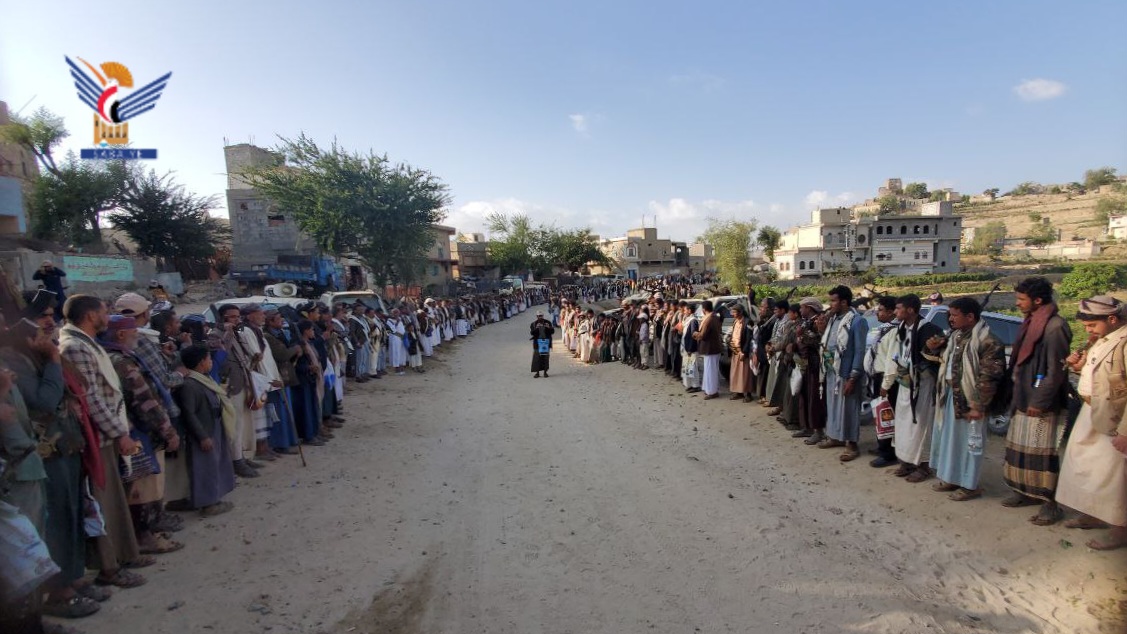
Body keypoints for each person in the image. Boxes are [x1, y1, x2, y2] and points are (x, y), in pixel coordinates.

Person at [58, 295, 148, 588]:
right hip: (100, 438)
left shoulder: (87, 342)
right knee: (102, 503)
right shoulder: (75, 347)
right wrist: (119, 432)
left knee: (115, 501)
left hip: (110, 432)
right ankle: (109, 567)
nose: (108, 316)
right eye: (103, 311)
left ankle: (125, 555)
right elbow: (90, 399)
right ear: (89, 315)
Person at [1056, 296, 1127, 549]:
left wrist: (1125, 432)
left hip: (1115, 419)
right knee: (1088, 467)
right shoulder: (1102, 340)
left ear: (1112, 319)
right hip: (1092, 411)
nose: (1087, 331)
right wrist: (1079, 368)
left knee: (1115, 478)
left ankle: (1119, 531)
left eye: (1091, 325)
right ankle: (1094, 515)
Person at [1002, 277, 1072, 526]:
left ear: (1038, 300)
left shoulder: (1054, 327)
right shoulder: (1031, 322)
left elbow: (1056, 371)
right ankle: (1025, 492)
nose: (1018, 303)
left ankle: (1049, 505)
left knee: (1042, 455)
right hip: (1023, 395)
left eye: (1021, 299)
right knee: (1019, 449)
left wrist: (1040, 401)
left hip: (1041, 402)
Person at [927, 297, 1006, 500]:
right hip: (950, 397)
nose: (950, 319)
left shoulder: (988, 341)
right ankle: (952, 478)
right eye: (950, 315)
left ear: (970, 316)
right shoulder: (956, 336)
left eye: (954, 315)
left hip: (971, 401)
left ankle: (970, 485)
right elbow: (944, 359)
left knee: (971, 444)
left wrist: (978, 405)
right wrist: (934, 346)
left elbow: (989, 375)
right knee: (951, 441)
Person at [887, 294, 943, 482]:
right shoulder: (903, 327)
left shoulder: (929, 329)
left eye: (898, 308)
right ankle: (907, 461)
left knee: (921, 424)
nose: (895, 311)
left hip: (923, 386)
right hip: (906, 383)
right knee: (903, 424)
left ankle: (924, 465)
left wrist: (931, 349)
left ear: (910, 310)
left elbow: (937, 356)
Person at [176, 344, 236, 517]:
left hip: (213, 427)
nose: (211, 362)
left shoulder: (204, 379)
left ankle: (215, 498)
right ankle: (208, 504)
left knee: (215, 464)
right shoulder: (190, 385)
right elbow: (189, 413)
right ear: (201, 362)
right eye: (209, 359)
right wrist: (202, 437)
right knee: (204, 467)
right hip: (204, 432)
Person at [818, 286, 869, 462]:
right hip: (833, 371)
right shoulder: (833, 319)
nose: (830, 304)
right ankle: (835, 436)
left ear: (844, 302)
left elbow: (859, 351)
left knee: (848, 409)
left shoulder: (856, 321)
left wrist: (853, 377)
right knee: (833, 406)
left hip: (847, 373)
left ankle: (851, 444)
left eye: (833, 301)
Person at [867, 297, 901, 468]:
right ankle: (882, 446)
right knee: (880, 414)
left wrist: (885, 384)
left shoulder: (893, 331)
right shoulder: (883, 329)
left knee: (886, 415)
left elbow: (891, 361)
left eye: (880, 310)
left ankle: (888, 453)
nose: (877, 313)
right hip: (877, 376)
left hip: (886, 379)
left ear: (890, 312)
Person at [793, 298, 827, 444]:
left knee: (814, 399)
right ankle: (806, 426)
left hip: (814, 365)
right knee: (804, 396)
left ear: (809, 308)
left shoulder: (819, 321)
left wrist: (802, 335)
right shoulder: (805, 322)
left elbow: (819, 341)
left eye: (802, 308)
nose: (800, 310)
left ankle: (818, 431)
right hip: (804, 364)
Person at [695, 300, 723, 400]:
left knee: (711, 370)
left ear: (703, 309)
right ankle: (710, 389)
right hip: (713, 348)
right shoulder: (715, 317)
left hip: (710, 348)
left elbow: (703, 335)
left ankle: (712, 391)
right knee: (711, 370)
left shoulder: (709, 319)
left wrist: (695, 334)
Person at [726, 304, 753, 401]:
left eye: (734, 312)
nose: (732, 314)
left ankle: (748, 394)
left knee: (745, 374)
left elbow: (749, 338)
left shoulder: (747, 322)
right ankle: (739, 392)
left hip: (743, 351)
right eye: (731, 312)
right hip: (735, 350)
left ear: (740, 312)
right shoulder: (735, 321)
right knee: (736, 373)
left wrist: (744, 352)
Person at [530, 310, 555, 378]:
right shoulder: (534, 324)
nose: (540, 317)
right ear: (537, 316)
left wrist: (548, 328)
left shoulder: (548, 322)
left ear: (543, 316)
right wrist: (537, 329)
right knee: (537, 358)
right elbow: (532, 333)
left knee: (545, 358)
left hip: (546, 343)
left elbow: (552, 331)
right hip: (537, 343)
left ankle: (545, 372)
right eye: (539, 316)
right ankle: (537, 372)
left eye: (541, 316)